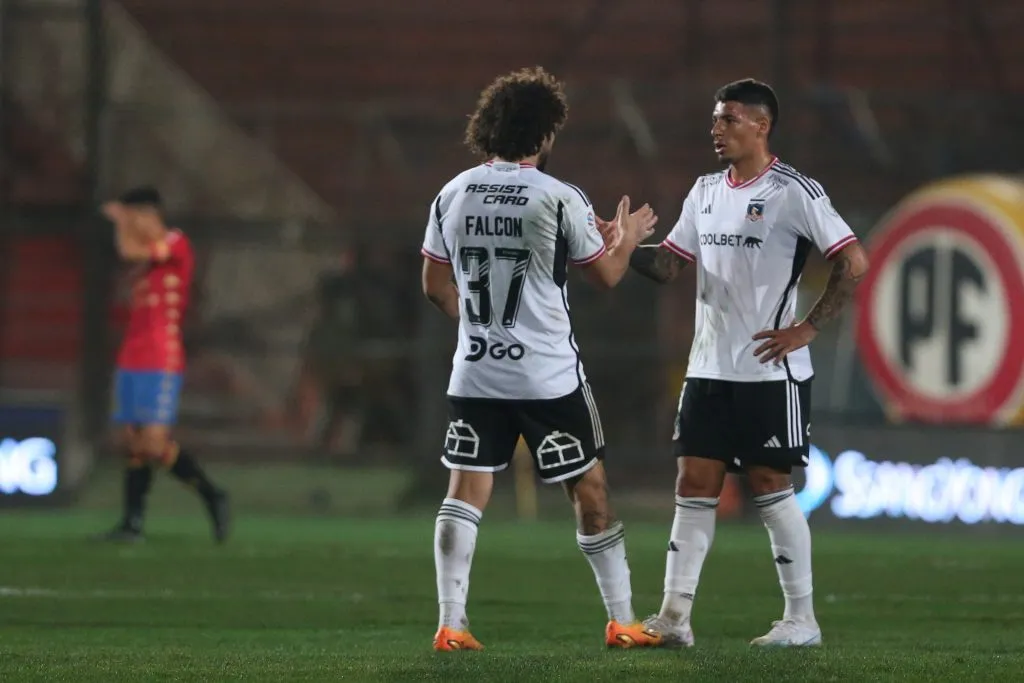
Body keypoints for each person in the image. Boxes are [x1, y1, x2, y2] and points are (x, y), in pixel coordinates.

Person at [421, 66, 662, 651]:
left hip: (477, 373)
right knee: (590, 491)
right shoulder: (557, 196)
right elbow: (607, 274)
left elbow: (433, 286)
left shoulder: (453, 192)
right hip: (547, 378)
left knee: (464, 492)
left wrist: (480, 327)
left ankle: (451, 624)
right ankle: (622, 621)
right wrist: (626, 236)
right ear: (545, 132)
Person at [629, 79, 869, 647]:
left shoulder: (793, 191)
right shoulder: (705, 190)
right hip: (708, 367)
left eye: (729, 119)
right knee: (693, 483)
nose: (717, 129)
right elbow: (668, 266)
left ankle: (801, 620)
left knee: (769, 484)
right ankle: (674, 618)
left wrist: (806, 328)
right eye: (716, 119)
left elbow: (853, 261)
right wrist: (616, 245)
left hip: (767, 369)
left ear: (762, 126)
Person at [95, 186, 231, 543]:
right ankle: (132, 523)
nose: (133, 225)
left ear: (150, 214)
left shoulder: (175, 242)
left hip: (160, 356)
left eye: (136, 217)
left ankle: (212, 494)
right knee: (132, 441)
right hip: (131, 356)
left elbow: (127, 250)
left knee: (155, 443)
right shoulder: (145, 268)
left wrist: (120, 221)